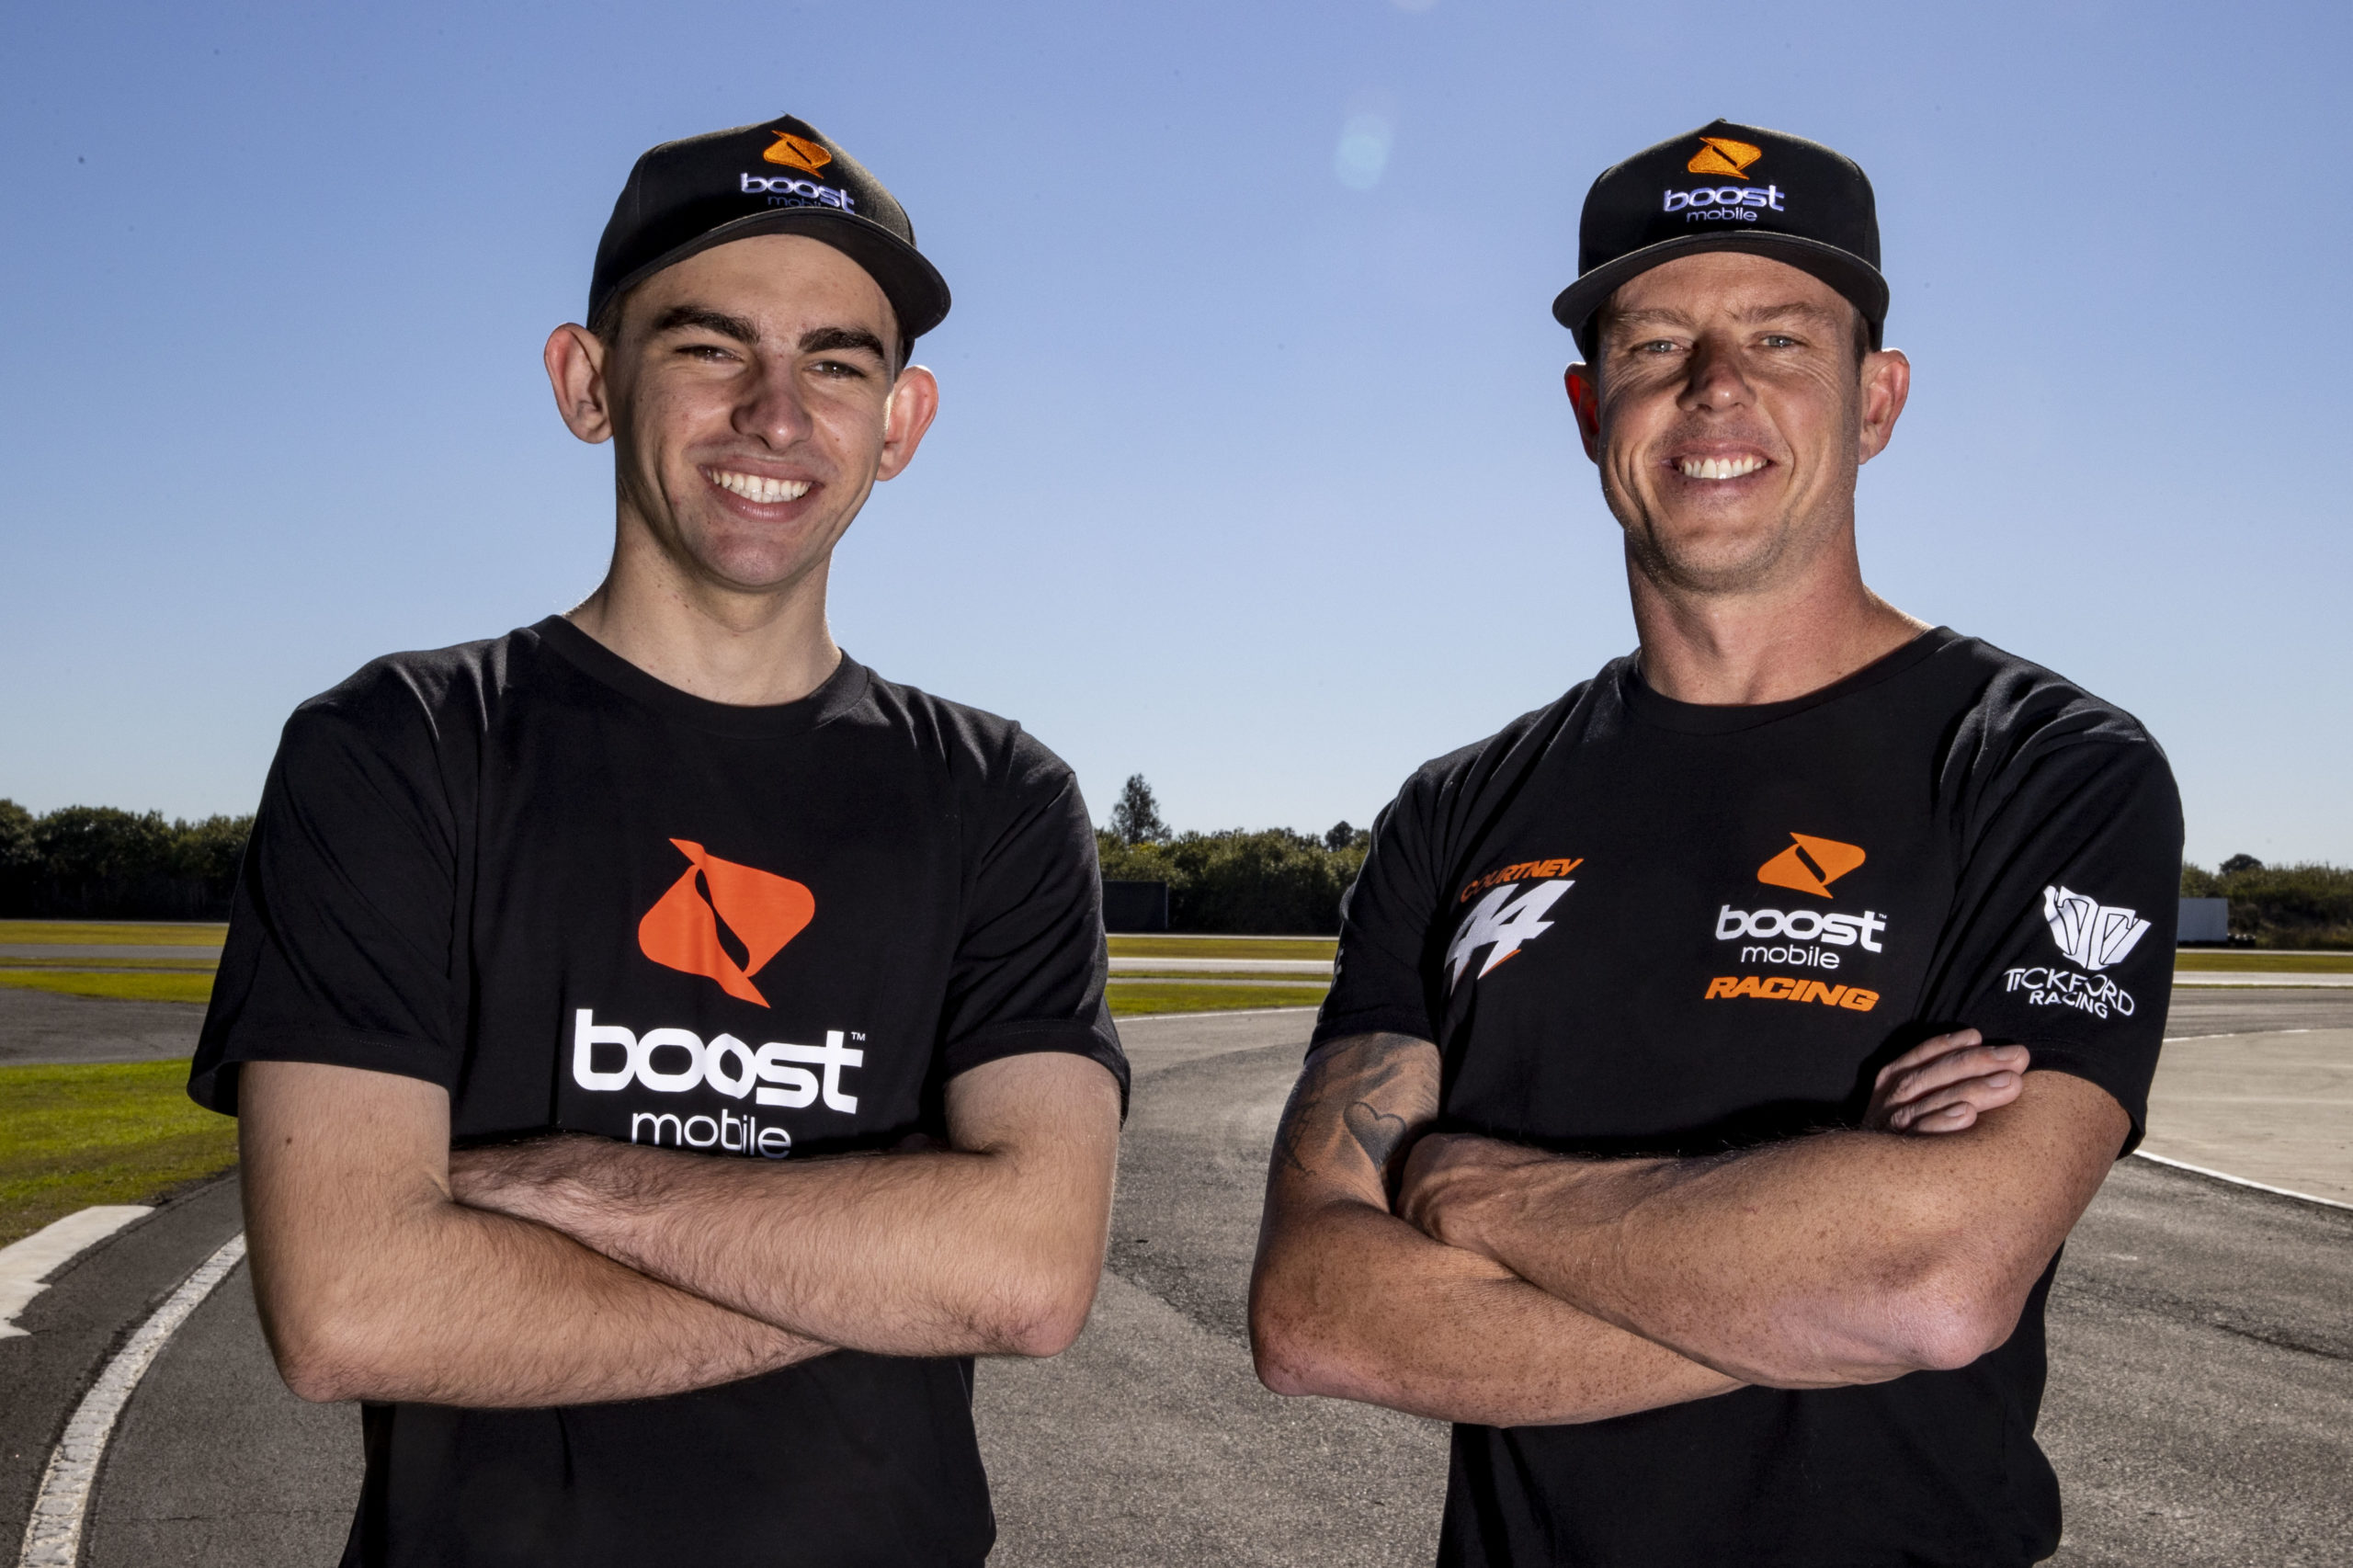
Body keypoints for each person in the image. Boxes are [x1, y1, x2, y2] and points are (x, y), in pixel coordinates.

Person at [188, 113, 1127, 1568]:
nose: (775, 414)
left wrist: (567, 1183)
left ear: (901, 424)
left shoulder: (999, 798)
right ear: (588, 382)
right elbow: (349, 1305)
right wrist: (884, 1262)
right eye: (708, 346)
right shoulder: (398, 749)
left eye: (837, 363)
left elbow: (1030, 1273)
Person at [1249, 119, 2180, 1567]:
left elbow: (1940, 1278)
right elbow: (1314, 1311)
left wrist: (1475, 1190)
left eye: (1781, 338)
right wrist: (1821, 1266)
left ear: (1878, 399)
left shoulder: (2044, 767)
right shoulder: (1457, 812)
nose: (1715, 387)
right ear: (1588, 407)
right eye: (1656, 343)